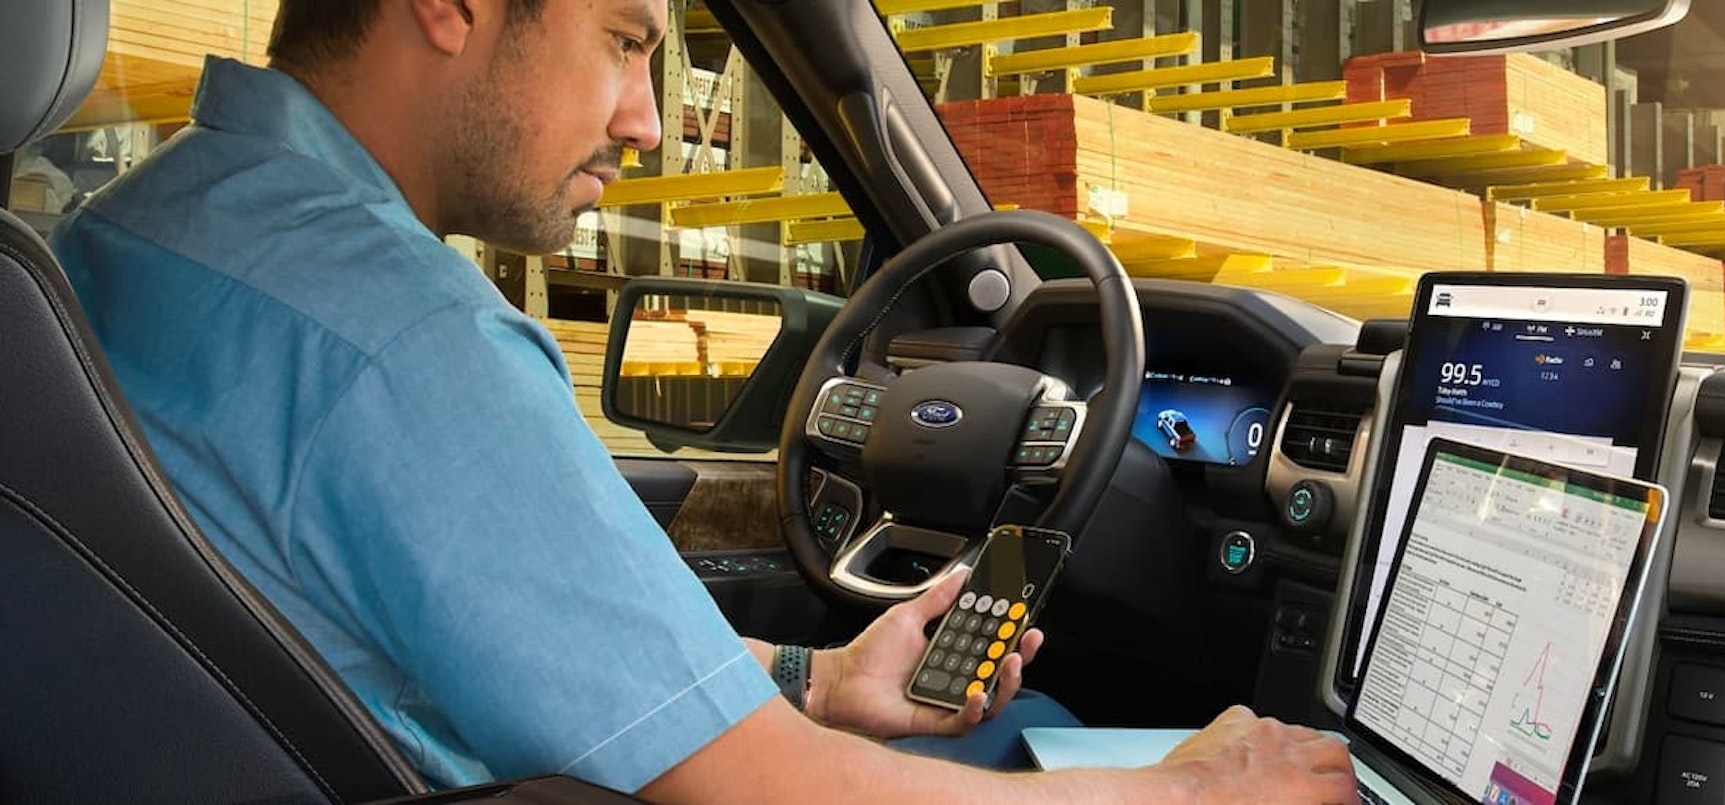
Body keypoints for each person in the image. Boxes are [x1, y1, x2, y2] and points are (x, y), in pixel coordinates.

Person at [50, 0, 1356, 801]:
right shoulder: (408, 345)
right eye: (624, 42)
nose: (650, 122)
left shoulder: (142, 234)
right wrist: (1189, 794)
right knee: (1063, 732)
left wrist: (822, 675)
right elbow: (769, 790)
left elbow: (499, 640)